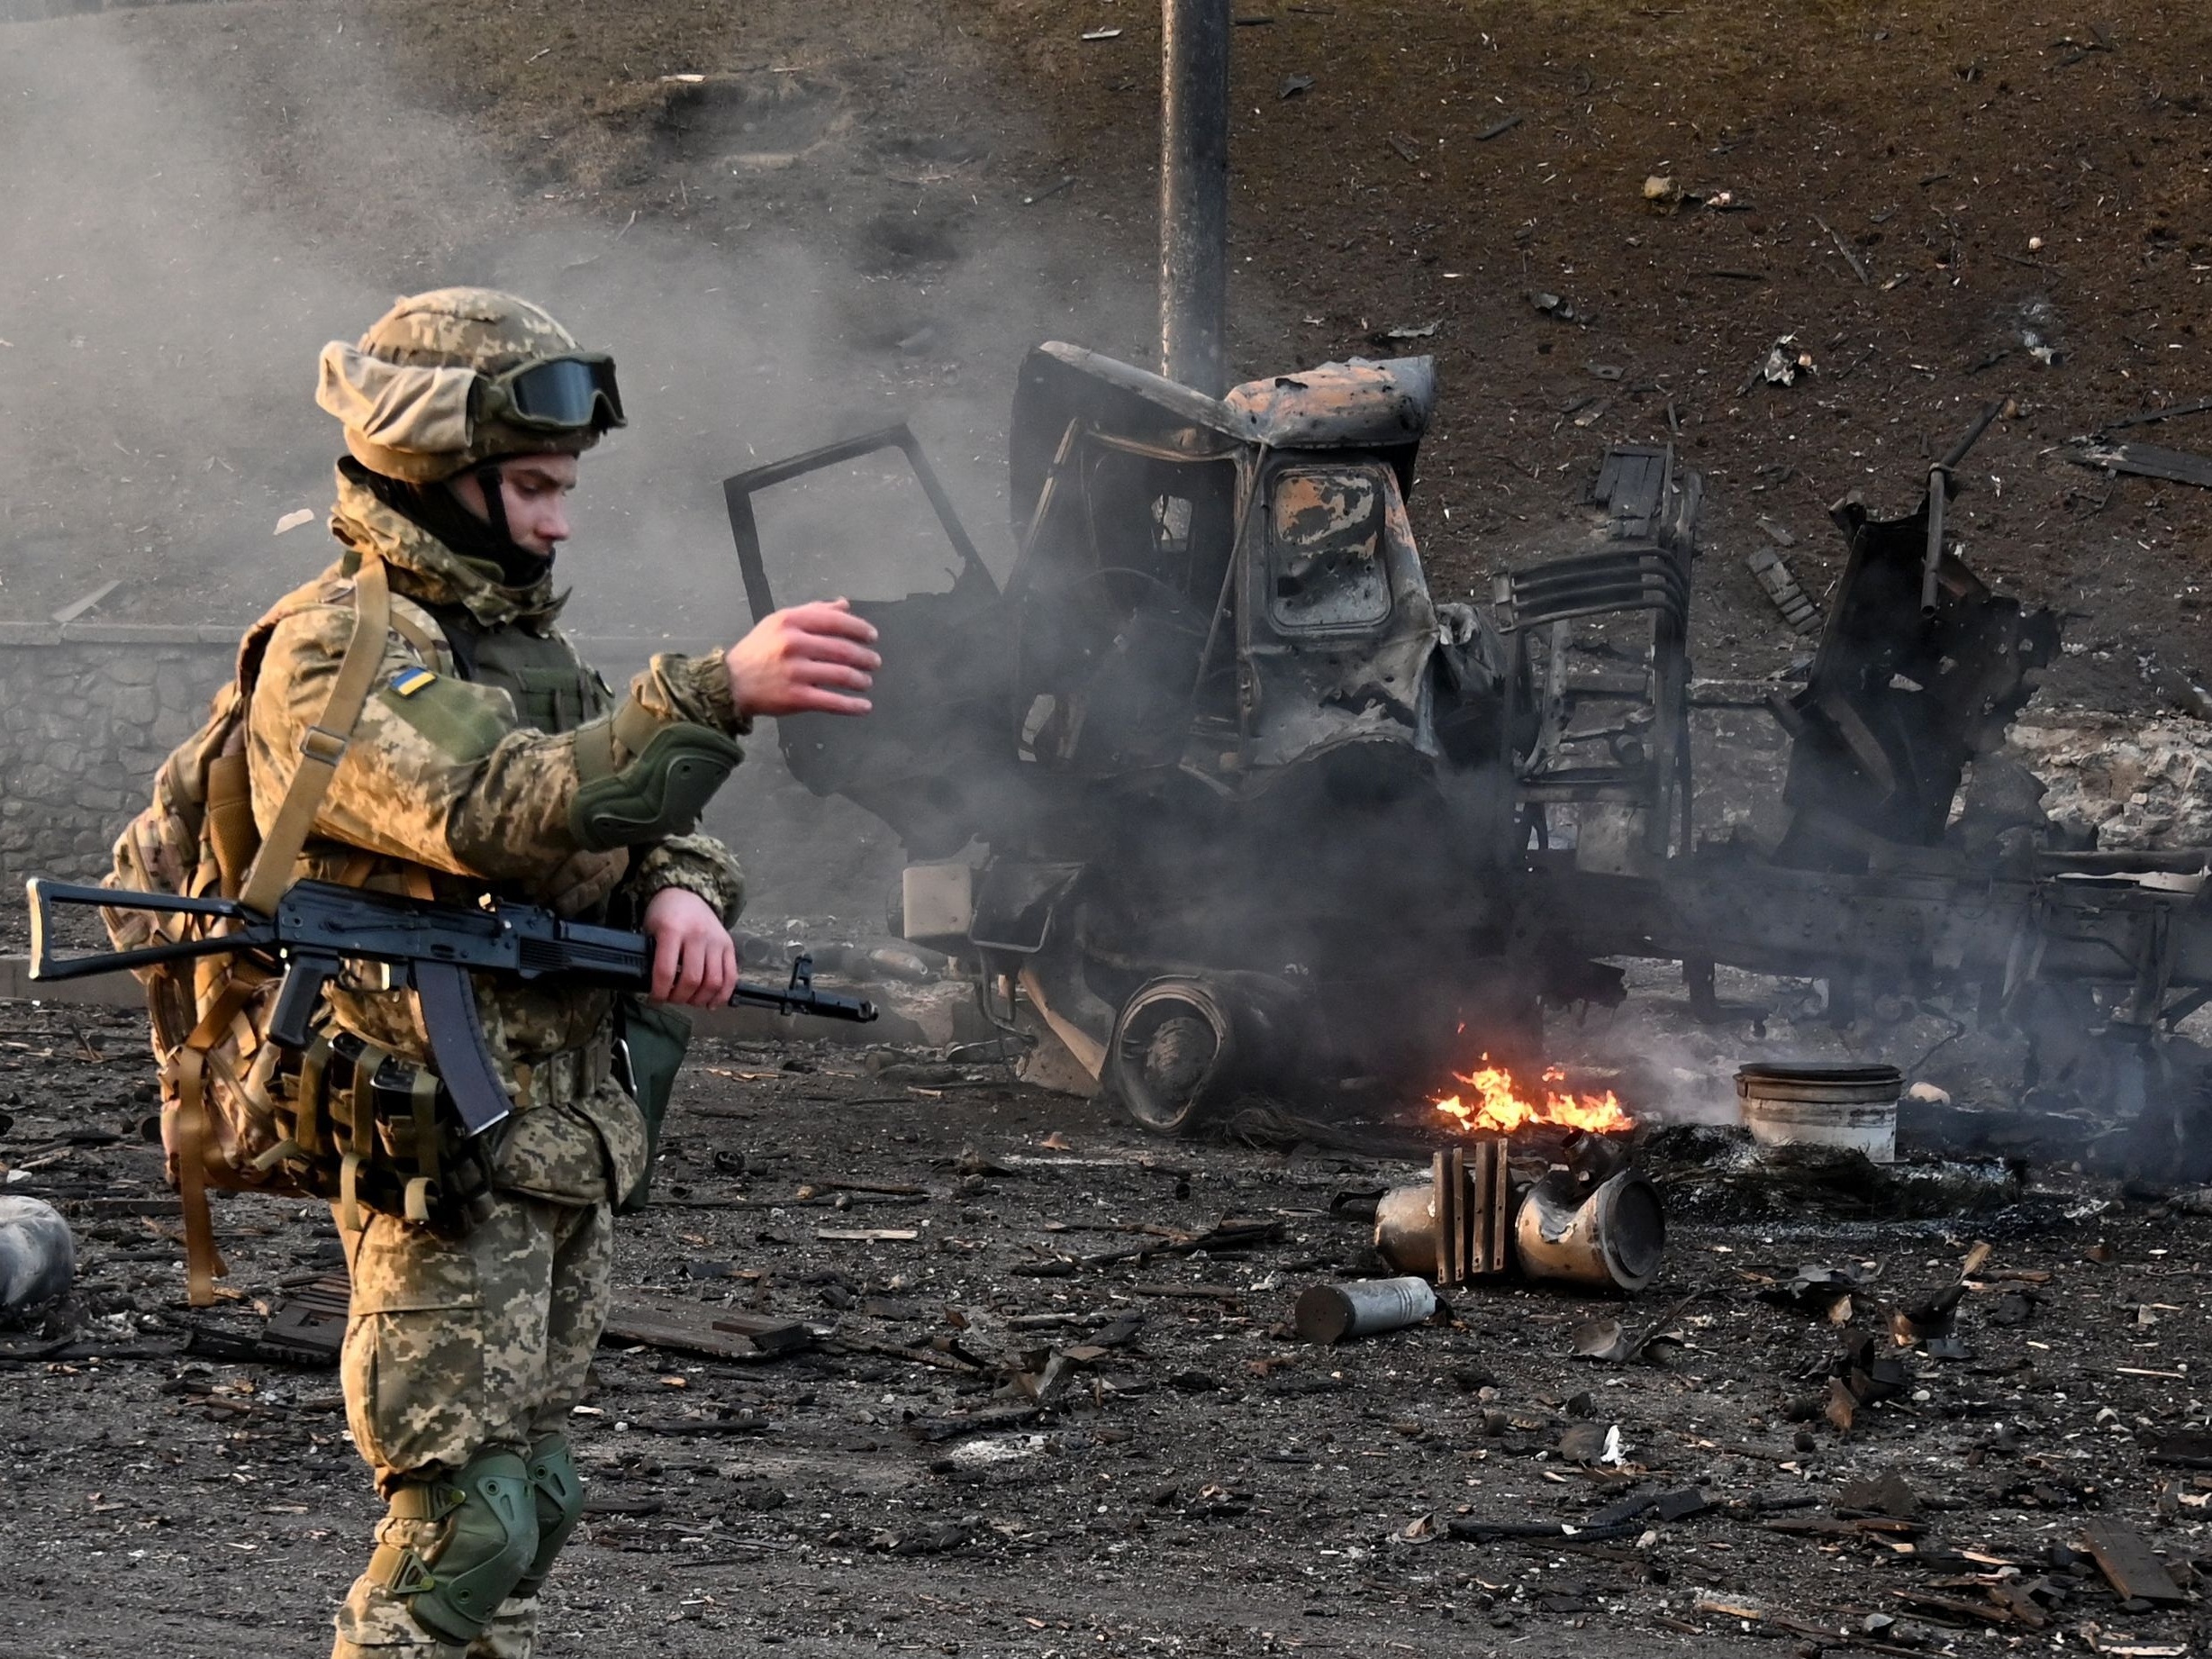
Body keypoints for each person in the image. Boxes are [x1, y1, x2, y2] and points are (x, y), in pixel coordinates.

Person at [256, 286, 878, 1657]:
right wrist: (712, 692)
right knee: (458, 1529)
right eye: (534, 484)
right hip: (442, 1145)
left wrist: (678, 898)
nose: (560, 517)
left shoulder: (529, 653)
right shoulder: (338, 649)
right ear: (433, 467)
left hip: (556, 1140)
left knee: (531, 1502)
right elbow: (488, 806)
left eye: (566, 484)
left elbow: (661, 829)